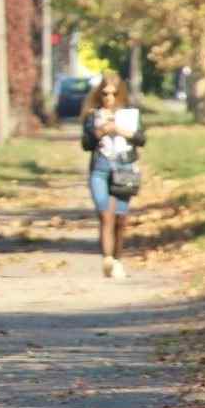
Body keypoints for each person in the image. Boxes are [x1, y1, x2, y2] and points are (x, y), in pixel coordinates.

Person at [81, 69, 146, 279]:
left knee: (120, 219)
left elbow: (141, 138)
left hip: (124, 167)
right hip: (100, 166)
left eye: (114, 94)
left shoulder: (129, 114)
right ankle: (107, 259)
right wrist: (100, 131)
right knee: (104, 214)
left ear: (121, 94)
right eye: (105, 94)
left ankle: (118, 260)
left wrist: (120, 130)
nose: (109, 98)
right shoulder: (93, 116)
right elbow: (86, 144)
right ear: (99, 95)